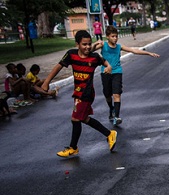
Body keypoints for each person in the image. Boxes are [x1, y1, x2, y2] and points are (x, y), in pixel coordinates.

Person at [41, 30, 117, 158]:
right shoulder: (71, 55)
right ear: (77, 44)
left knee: (76, 118)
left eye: (89, 44)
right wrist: (47, 82)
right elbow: (58, 66)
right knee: (84, 119)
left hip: (86, 93)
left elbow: (105, 62)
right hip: (77, 92)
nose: (87, 47)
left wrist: (108, 67)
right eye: (84, 44)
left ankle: (73, 148)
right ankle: (109, 134)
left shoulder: (94, 57)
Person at [91, 25, 160, 125]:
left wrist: (149, 53)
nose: (115, 38)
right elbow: (90, 51)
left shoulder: (119, 47)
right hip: (105, 72)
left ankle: (117, 117)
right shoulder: (103, 45)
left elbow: (134, 50)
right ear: (107, 37)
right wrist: (95, 43)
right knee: (107, 94)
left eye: (116, 36)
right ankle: (111, 109)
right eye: (112, 36)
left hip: (117, 72)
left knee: (116, 94)